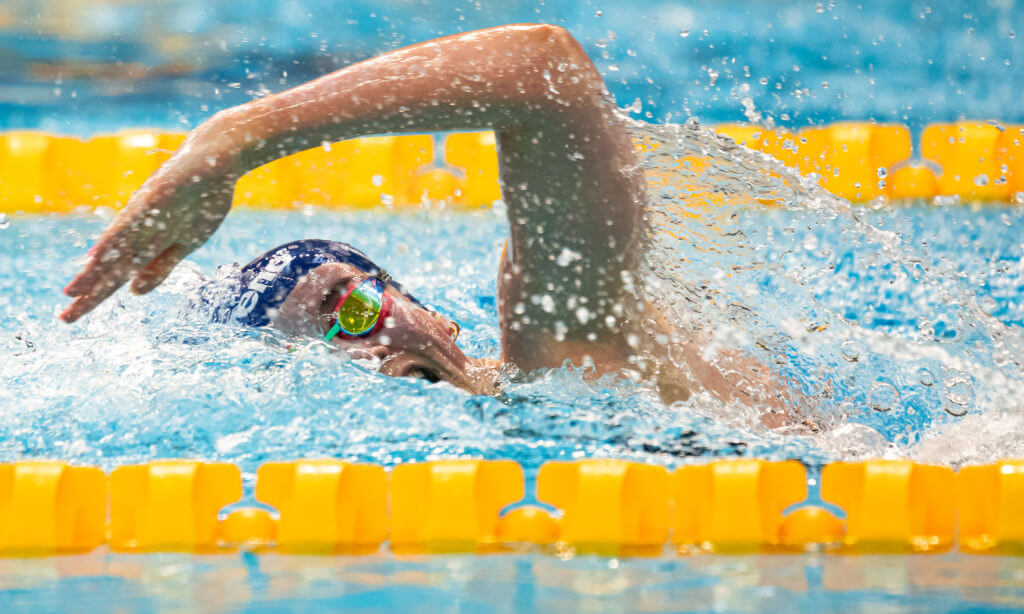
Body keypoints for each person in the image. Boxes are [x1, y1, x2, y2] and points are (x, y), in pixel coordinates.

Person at [61, 24, 792, 415]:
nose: (360, 352)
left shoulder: (562, 343)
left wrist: (240, 140)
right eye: (310, 356)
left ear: (434, 314)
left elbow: (548, 72)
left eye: (346, 309)